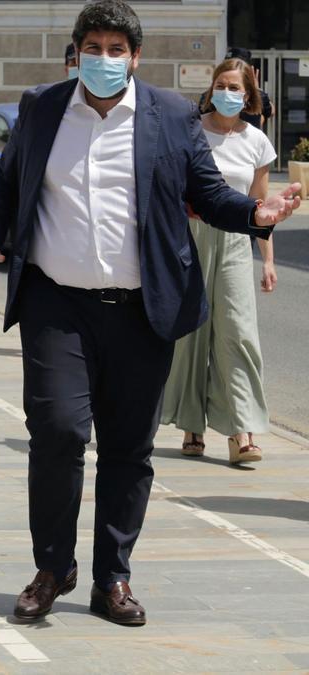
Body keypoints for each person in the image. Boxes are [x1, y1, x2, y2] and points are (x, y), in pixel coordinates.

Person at [0, 0, 300, 628]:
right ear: (75, 54)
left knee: (128, 447)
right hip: (55, 301)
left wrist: (253, 216)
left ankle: (112, 576)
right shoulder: (42, 107)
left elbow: (204, 192)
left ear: (135, 57)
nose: (103, 59)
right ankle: (52, 567)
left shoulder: (171, 116)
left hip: (141, 308)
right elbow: (7, 184)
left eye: (116, 49)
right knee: (60, 432)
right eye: (91, 47)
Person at [163, 57, 277, 465]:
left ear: (248, 96)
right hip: (190, 240)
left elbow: (261, 207)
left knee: (238, 332)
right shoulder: (190, 131)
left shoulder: (258, 142)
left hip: (233, 243)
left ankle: (241, 431)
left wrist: (267, 260)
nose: (227, 93)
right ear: (211, 89)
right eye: (221, 85)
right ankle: (192, 425)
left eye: (235, 88)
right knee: (191, 332)